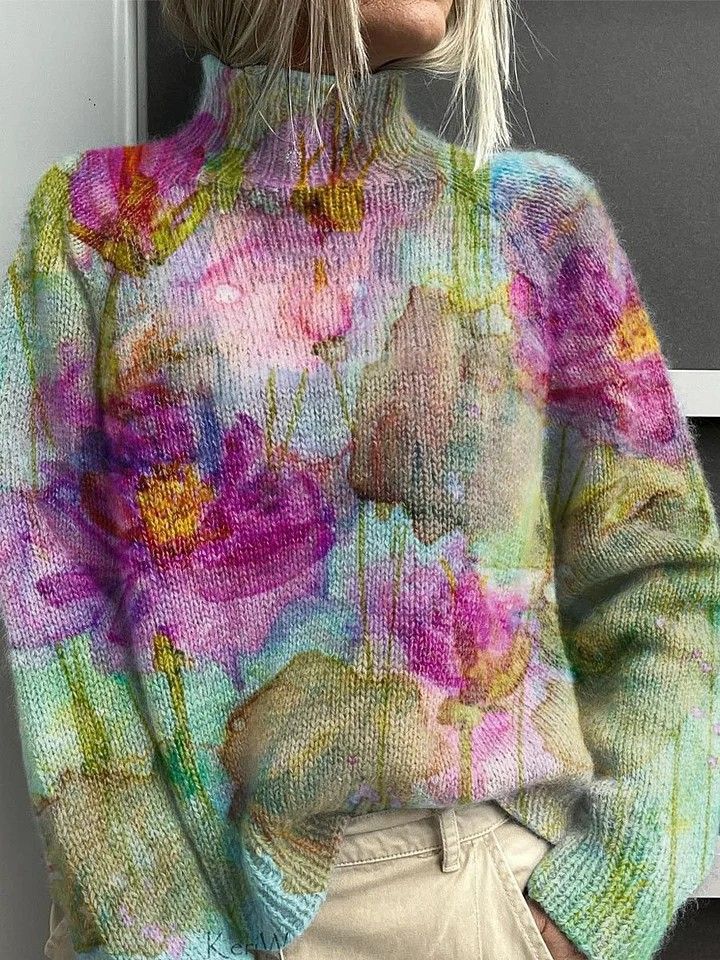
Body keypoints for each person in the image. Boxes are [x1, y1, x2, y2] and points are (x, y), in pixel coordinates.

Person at [1, 1, 718, 959]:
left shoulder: (535, 225)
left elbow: (663, 582)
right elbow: (62, 641)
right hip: (191, 915)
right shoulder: (95, 230)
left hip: (477, 900)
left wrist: (593, 908)